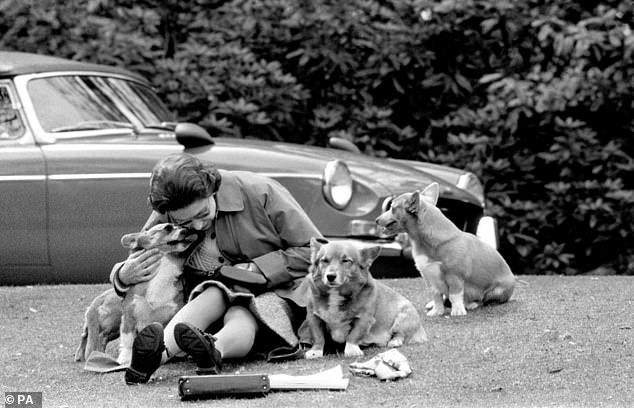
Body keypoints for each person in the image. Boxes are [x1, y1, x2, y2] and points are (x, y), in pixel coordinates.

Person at [110, 152, 323, 385]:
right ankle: (153, 357)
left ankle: (213, 348)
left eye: (202, 214)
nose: (198, 225)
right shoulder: (171, 207)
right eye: (185, 223)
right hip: (205, 299)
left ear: (212, 189)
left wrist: (258, 268)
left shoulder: (260, 191)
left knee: (242, 311)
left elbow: (316, 250)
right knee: (214, 292)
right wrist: (121, 276)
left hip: (273, 291)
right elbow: (141, 253)